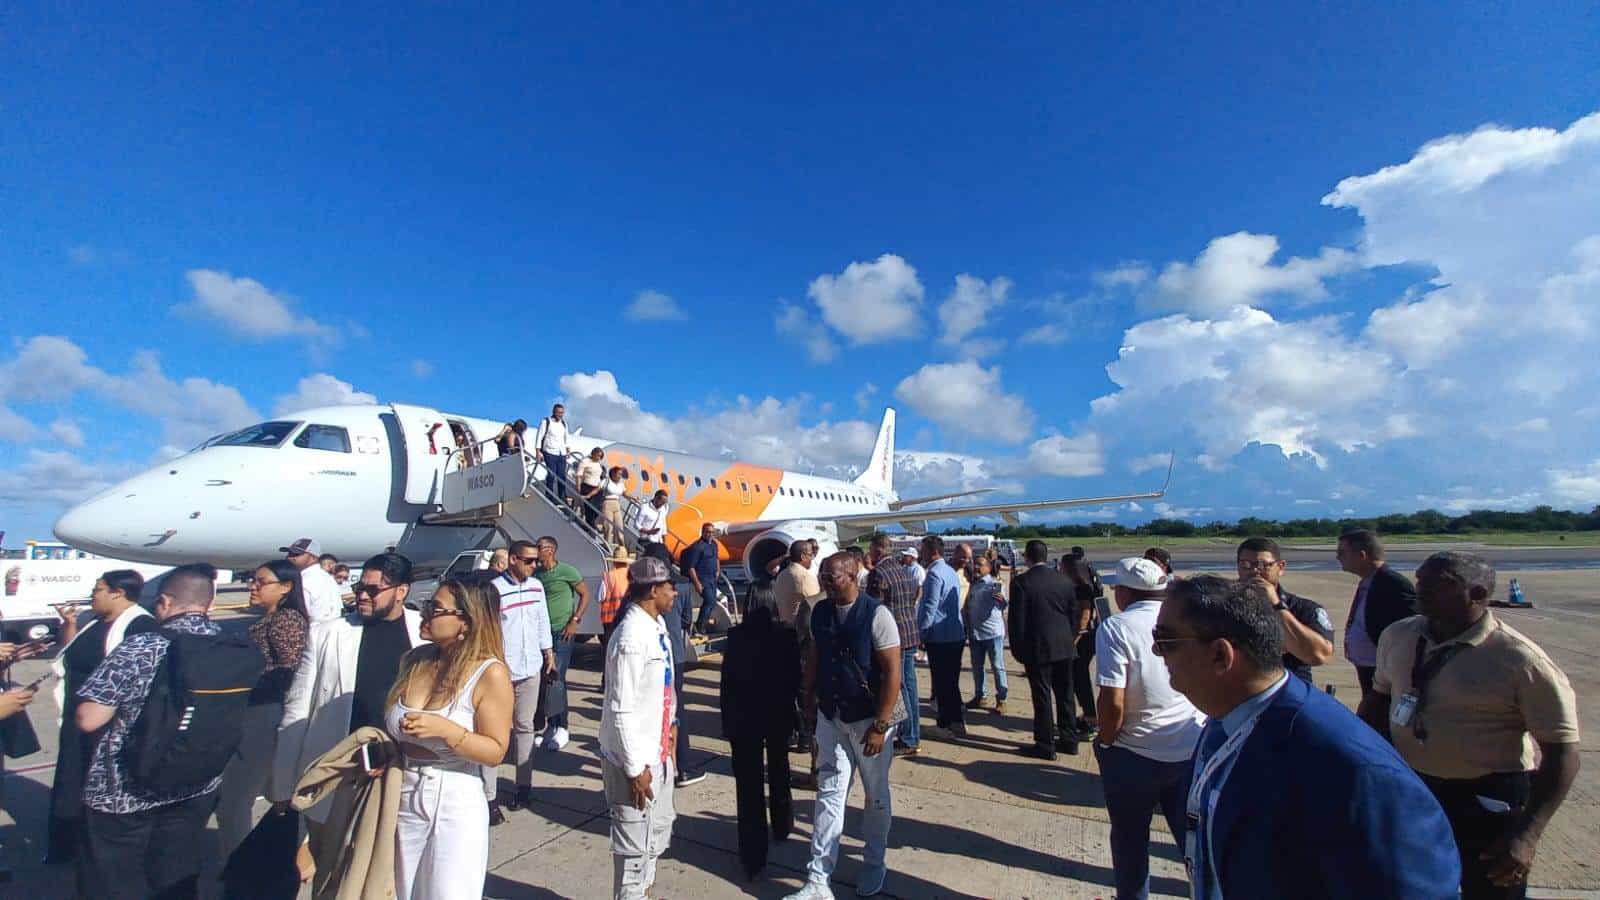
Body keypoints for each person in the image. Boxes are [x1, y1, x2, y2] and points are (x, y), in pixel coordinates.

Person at [1155, 575, 1459, 898]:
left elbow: (1411, 889)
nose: (1155, 651)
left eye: (1165, 641)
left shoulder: (1353, 769)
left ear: (1220, 655)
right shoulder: (1224, 721)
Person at [1359, 552, 1580, 900]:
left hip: (1487, 800)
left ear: (1477, 594)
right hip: (1414, 787)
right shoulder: (1399, 635)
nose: (1421, 584)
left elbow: (1562, 752)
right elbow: (1378, 701)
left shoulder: (1519, 660)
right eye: (1420, 578)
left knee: (1491, 889)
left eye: (1438, 581)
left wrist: (1526, 835)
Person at [270, 553, 426, 886]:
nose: (362, 596)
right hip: (339, 775)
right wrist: (284, 785)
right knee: (332, 874)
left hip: (403, 776)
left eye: (373, 590)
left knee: (390, 877)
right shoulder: (328, 633)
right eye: (360, 587)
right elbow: (296, 710)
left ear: (402, 592)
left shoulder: (423, 633)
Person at [74, 564, 229, 899]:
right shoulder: (230, 644)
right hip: (196, 784)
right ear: (209, 604)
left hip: (125, 791)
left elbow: (89, 718)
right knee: (176, 875)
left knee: (114, 880)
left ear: (163, 602)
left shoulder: (142, 646)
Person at [386, 577, 514, 900]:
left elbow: (496, 750)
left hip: (453, 800)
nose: (425, 613)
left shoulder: (490, 673)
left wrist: (447, 730)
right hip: (401, 792)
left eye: (435, 608)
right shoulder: (413, 661)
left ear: (467, 622)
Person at [787, 552, 901, 899]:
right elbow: (815, 658)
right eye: (822, 575)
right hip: (831, 716)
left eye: (832, 577)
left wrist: (881, 725)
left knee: (875, 795)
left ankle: (874, 860)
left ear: (853, 576)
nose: (824, 582)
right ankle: (818, 878)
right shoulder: (820, 611)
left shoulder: (877, 614)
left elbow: (893, 671)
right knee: (829, 794)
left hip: (869, 720)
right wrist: (809, 704)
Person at [1093, 558, 1202, 900]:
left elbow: (1113, 701)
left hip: (1134, 752)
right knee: (1195, 844)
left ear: (1124, 592)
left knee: (1130, 841)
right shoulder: (1189, 618)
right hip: (1189, 747)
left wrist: (1105, 742)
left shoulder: (1117, 627)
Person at [44, 570, 156, 868]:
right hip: (77, 717)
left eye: (98, 590)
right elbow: (71, 653)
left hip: (107, 722)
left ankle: (92, 849)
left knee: (98, 783)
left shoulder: (139, 625)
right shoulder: (94, 622)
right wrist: (69, 624)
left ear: (118, 593)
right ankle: (66, 845)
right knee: (70, 777)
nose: (93, 595)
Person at [599, 557, 681, 900]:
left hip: (659, 751)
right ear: (652, 591)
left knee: (657, 834)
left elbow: (663, 687)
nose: (675, 593)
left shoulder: (655, 625)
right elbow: (621, 709)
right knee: (634, 849)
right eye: (668, 587)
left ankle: (643, 893)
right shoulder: (632, 637)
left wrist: (672, 728)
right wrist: (634, 769)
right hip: (636, 760)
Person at [217, 560, 310, 859]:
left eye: (261, 581)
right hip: (254, 710)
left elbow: (290, 669)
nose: (252, 586)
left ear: (286, 587)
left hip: (265, 712)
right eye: (252, 580)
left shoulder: (286, 621)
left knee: (235, 798)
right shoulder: (269, 619)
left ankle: (238, 868)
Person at [720, 586, 799, 880]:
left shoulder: (737, 637)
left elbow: (727, 685)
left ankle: (752, 853)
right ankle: (782, 824)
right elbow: (795, 678)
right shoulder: (785, 636)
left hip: (745, 718)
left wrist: (727, 722)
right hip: (777, 713)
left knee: (749, 787)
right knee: (779, 770)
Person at [492, 540, 558, 814]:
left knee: (525, 727)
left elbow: (542, 619)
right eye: (529, 560)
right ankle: (488, 796)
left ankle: (523, 788)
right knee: (494, 732)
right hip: (501, 671)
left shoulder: (536, 586)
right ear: (513, 560)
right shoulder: (494, 589)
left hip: (531, 667)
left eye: (536, 560)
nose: (535, 565)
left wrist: (548, 652)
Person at [1008, 540, 1082, 758]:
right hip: (1064, 645)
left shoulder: (1022, 582)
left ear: (1026, 557)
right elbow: (1073, 614)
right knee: (1066, 695)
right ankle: (1069, 739)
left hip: (1038, 647)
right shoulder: (1064, 580)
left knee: (1042, 697)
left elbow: (1017, 620)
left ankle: (1045, 744)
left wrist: (1017, 649)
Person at [1234, 537, 1334, 682]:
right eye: (1245, 565)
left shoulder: (1304, 609)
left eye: (1263, 565)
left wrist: (1277, 605)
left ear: (1280, 567)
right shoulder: (1222, 607)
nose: (1255, 571)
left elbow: (1319, 656)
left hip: (1289, 692)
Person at [1335, 529, 1417, 699]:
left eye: (1342, 552)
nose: (1338, 557)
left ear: (1362, 555)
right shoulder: (1369, 581)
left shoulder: (1393, 583)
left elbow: (1411, 628)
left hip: (1383, 670)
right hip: (1368, 667)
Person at [866, 535, 921, 758]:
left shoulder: (879, 573)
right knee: (909, 686)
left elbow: (873, 607)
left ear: (878, 551)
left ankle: (908, 737)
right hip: (910, 632)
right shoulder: (905, 570)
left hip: (893, 637)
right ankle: (914, 734)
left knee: (898, 687)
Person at [535, 535, 590, 751]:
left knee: (557, 678)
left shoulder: (566, 571)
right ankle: (551, 725)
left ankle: (562, 727)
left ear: (551, 550)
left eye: (539, 547)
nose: (536, 551)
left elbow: (585, 595)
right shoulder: (538, 575)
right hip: (543, 634)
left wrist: (575, 620)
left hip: (563, 631)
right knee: (546, 679)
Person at [916, 535, 966, 739]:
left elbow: (930, 606)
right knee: (951, 681)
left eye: (923, 550)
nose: (921, 554)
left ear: (931, 551)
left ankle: (947, 724)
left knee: (943, 682)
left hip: (940, 635)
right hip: (955, 633)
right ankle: (955, 721)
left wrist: (921, 632)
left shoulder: (934, 574)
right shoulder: (949, 571)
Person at [661, 576, 707, 787]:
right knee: (676, 710)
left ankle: (668, 766)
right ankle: (683, 768)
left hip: (666, 656)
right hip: (675, 655)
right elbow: (687, 619)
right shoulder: (683, 587)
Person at [1061, 553, 1101, 739]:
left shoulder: (1083, 588)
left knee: (1079, 677)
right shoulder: (1087, 584)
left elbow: (1084, 617)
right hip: (1086, 636)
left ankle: (1091, 719)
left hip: (1084, 638)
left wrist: (1073, 641)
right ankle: (1088, 715)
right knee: (1078, 677)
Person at [963, 555, 1008, 714]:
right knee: (977, 667)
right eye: (975, 565)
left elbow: (1002, 605)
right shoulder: (974, 585)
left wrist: (1002, 600)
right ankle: (980, 696)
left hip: (993, 633)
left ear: (988, 567)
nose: (976, 567)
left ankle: (1002, 698)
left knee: (997, 666)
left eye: (980, 565)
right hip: (976, 634)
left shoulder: (994, 584)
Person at [281, 537, 344, 623]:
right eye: (289, 553)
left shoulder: (305, 580)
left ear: (313, 558)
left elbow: (300, 614)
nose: (290, 557)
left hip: (313, 629)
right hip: (331, 627)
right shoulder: (326, 577)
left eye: (296, 554)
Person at [679, 523, 723, 637]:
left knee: (713, 602)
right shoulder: (698, 547)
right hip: (703, 579)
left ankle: (702, 625)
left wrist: (718, 570)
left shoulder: (714, 544)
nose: (710, 535)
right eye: (708, 532)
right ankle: (700, 626)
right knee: (709, 601)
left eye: (712, 532)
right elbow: (691, 567)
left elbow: (716, 558)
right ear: (703, 532)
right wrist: (697, 583)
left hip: (712, 578)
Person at [774, 540, 822, 633]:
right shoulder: (805, 577)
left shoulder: (782, 574)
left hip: (784, 628)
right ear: (803, 556)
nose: (812, 558)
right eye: (811, 554)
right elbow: (816, 606)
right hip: (801, 631)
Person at [535, 403, 572, 505]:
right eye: (559, 412)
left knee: (562, 476)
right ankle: (549, 494)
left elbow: (566, 437)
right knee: (551, 474)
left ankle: (562, 496)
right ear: (554, 412)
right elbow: (539, 437)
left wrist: (567, 448)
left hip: (561, 452)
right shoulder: (546, 422)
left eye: (562, 413)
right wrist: (538, 451)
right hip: (549, 451)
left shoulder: (564, 424)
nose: (560, 415)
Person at [600, 549, 634, 651]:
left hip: (610, 619)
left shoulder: (609, 576)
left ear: (614, 562)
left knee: (611, 649)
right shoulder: (634, 576)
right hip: (629, 617)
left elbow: (600, 596)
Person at [635, 489, 672, 564]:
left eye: (664, 502)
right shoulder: (645, 508)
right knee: (641, 564)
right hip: (645, 541)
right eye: (662, 501)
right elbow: (636, 524)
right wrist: (648, 532)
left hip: (657, 543)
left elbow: (663, 523)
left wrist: (664, 539)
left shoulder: (663, 509)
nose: (662, 504)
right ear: (656, 498)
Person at [576, 446, 608, 527]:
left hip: (597, 489)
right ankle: (589, 525)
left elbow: (601, 476)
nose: (599, 458)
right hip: (587, 487)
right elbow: (579, 474)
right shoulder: (585, 462)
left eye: (600, 456)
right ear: (593, 454)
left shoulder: (599, 464)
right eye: (597, 455)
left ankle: (590, 524)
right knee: (589, 508)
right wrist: (578, 486)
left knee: (597, 508)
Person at [600, 465, 629, 547]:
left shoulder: (621, 484)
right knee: (608, 526)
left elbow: (625, 494)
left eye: (621, 474)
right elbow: (598, 489)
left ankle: (622, 546)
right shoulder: (606, 481)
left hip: (617, 504)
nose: (620, 476)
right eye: (619, 474)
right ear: (613, 473)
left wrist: (633, 498)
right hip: (607, 503)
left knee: (619, 527)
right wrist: (588, 495)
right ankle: (606, 545)